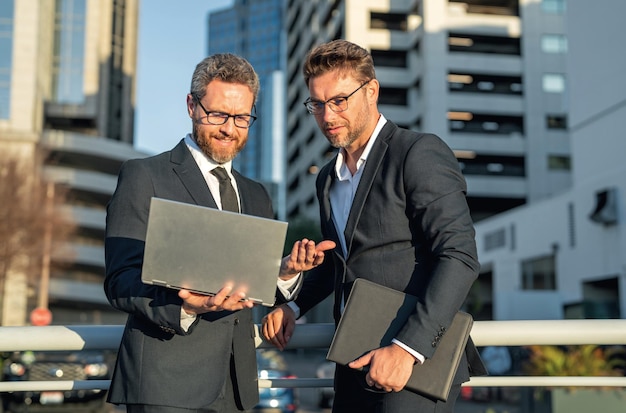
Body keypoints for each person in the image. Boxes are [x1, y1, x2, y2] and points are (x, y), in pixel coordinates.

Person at [262, 40, 486, 413]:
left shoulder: (417, 153)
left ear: (371, 91)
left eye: (339, 100)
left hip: (411, 368)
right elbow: (341, 265)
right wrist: (294, 306)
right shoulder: (327, 180)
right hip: (351, 363)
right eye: (316, 104)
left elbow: (459, 256)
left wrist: (407, 348)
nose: (327, 116)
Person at [104, 53, 334, 413]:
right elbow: (120, 282)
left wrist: (286, 273)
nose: (230, 128)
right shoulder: (144, 175)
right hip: (165, 385)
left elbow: (254, 288)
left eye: (242, 118)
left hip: (236, 387)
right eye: (218, 115)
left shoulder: (257, 194)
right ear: (192, 106)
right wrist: (185, 306)